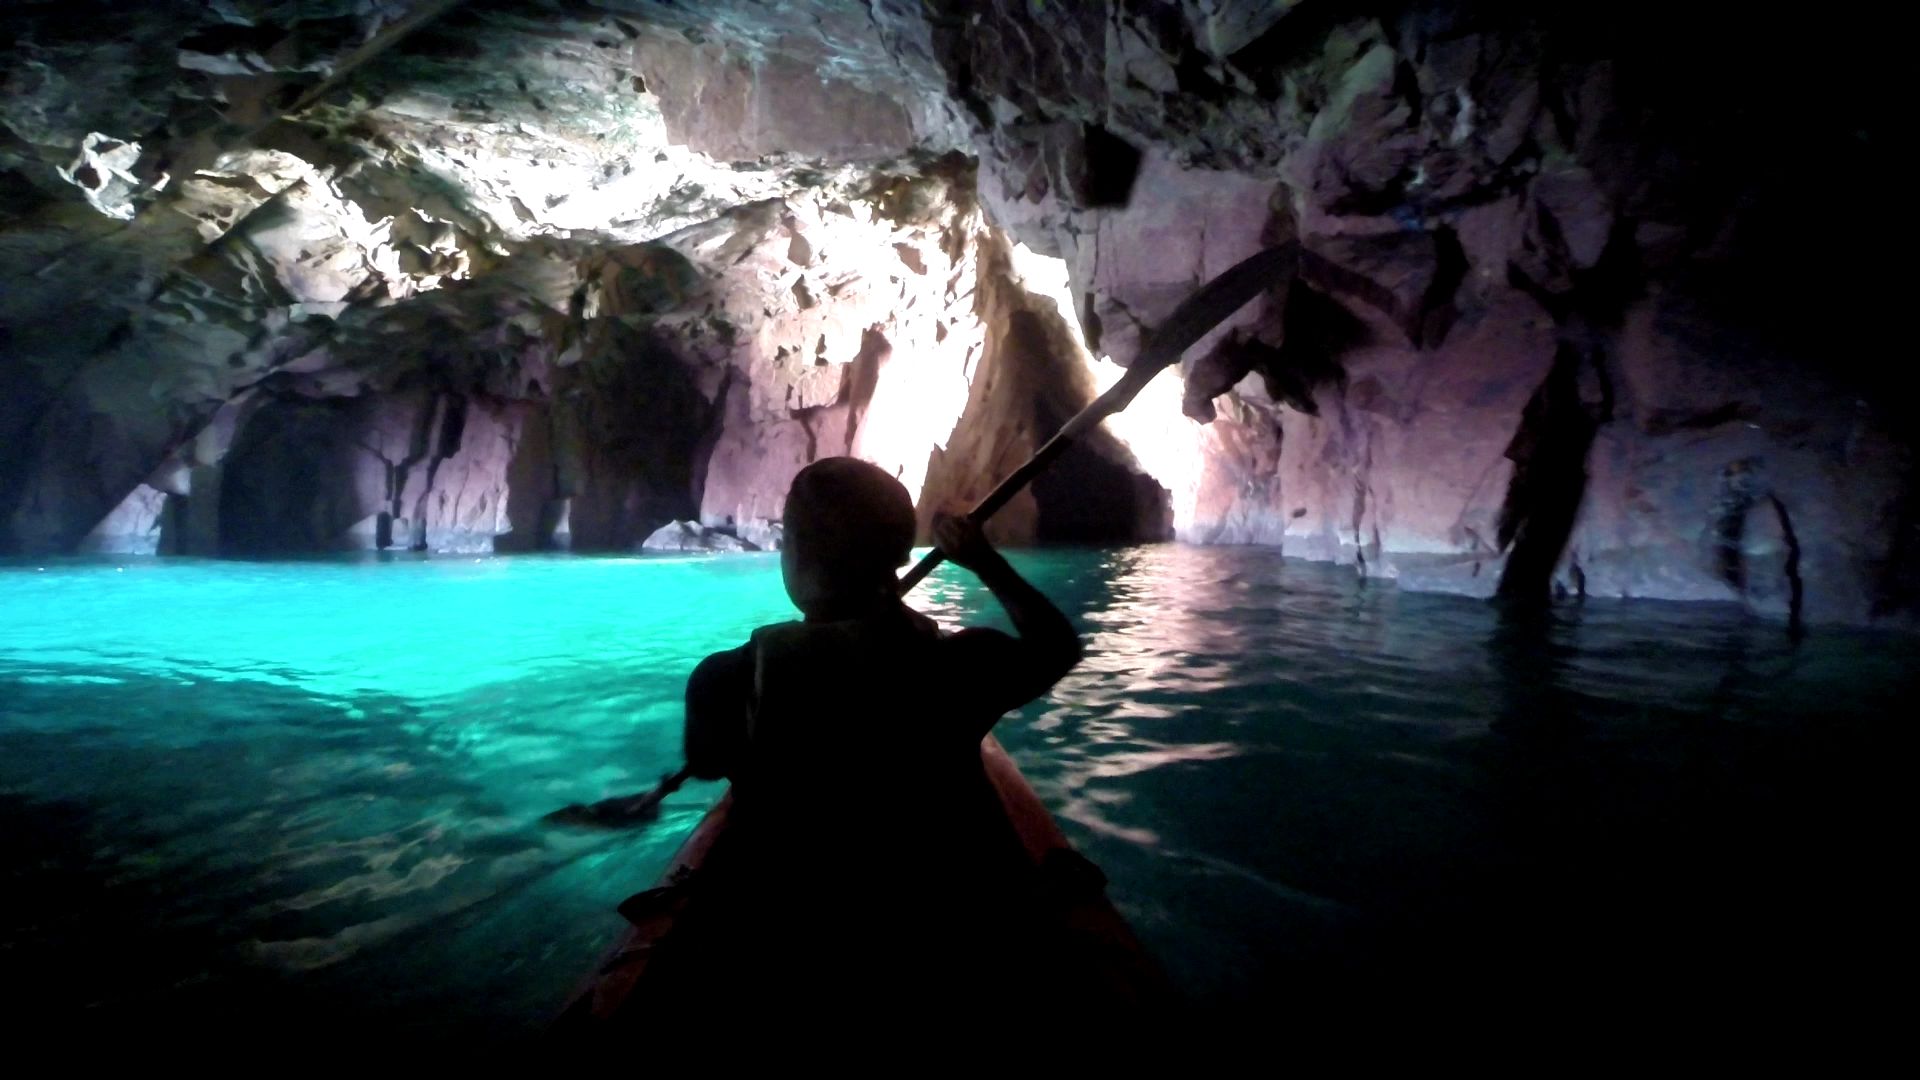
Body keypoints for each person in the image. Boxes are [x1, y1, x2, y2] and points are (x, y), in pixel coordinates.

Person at [623, 456, 1083, 1025]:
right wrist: (984, 561)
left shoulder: (725, 681)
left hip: (782, 961)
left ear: (796, 553)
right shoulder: (962, 666)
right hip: (937, 948)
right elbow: (1057, 647)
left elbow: (709, 763)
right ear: (895, 556)